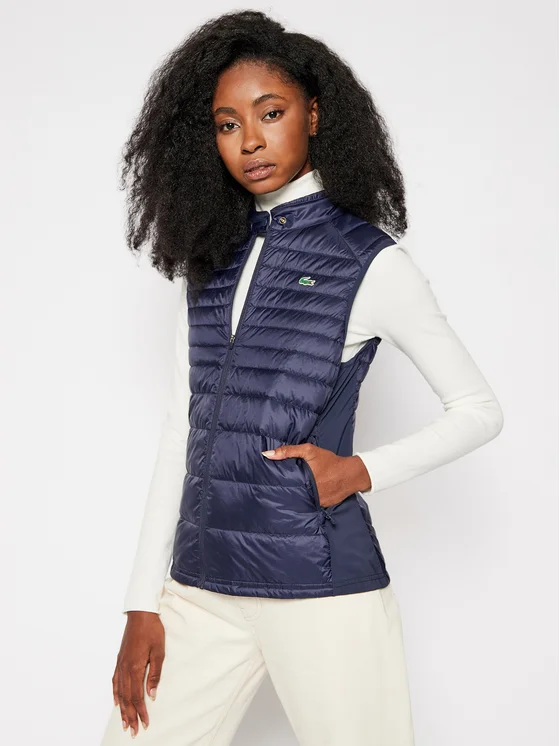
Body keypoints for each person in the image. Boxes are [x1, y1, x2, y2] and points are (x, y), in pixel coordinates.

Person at [100, 9, 504, 746]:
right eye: (227, 125)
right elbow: (181, 429)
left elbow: (478, 409)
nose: (250, 141)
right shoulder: (208, 261)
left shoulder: (368, 261)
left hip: (319, 583)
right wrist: (142, 601)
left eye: (271, 113)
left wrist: (360, 471)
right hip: (201, 586)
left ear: (314, 115)